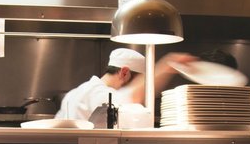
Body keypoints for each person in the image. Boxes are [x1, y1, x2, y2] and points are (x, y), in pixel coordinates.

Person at [55, 47, 194, 121]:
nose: (144, 88)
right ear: (124, 72)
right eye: (140, 81)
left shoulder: (74, 93)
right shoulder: (100, 93)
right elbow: (131, 97)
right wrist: (168, 65)